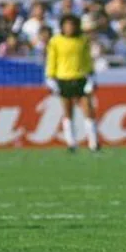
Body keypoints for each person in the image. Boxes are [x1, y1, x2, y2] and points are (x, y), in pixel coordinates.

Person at [45, 14, 100, 153]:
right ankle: (71, 142)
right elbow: (52, 59)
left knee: (88, 109)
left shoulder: (83, 40)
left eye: (72, 25)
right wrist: (50, 78)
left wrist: (91, 76)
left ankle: (93, 142)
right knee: (68, 111)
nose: (69, 28)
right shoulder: (56, 41)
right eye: (67, 25)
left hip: (80, 77)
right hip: (63, 78)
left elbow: (87, 59)